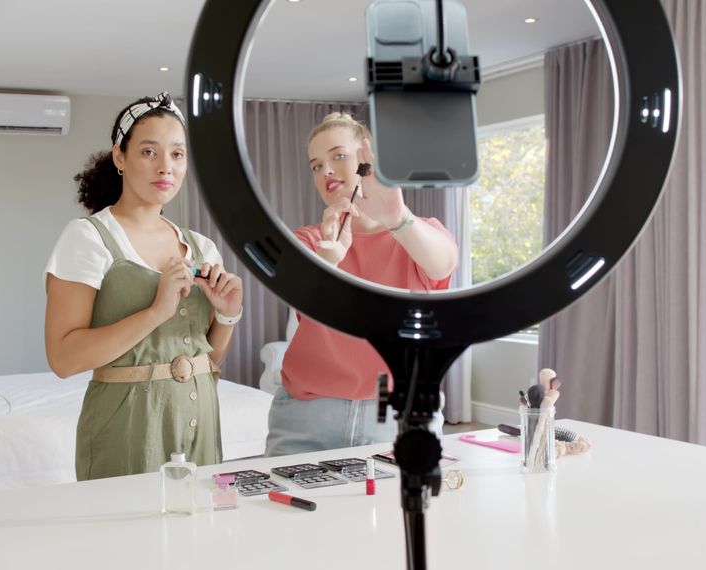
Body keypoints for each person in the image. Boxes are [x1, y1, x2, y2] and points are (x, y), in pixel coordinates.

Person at [44, 92, 243, 479]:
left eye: (177, 154)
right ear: (120, 157)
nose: (165, 167)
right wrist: (155, 312)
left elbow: (210, 359)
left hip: (201, 420)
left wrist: (228, 314)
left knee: (202, 538)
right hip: (128, 427)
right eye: (149, 152)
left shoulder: (201, 247)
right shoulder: (86, 238)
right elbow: (63, 359)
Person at [265, 112, 458, 456]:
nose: (325, 171)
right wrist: (329, 262)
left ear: (369, 161)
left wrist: (398, 219)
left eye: (338, 156)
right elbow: (302, 299)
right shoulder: (307, 241)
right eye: (315, 165)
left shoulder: (420, 232)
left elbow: (443, 263)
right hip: (306, 417)